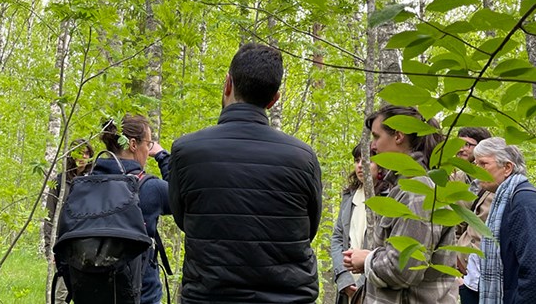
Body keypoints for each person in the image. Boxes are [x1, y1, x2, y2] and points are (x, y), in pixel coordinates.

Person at [169, 42, 322, 304]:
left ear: (227, 84)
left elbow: (183, 219)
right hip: (289, 297)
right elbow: (310, 228)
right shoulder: (303, 157)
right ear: (274, 99)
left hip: (209, 297)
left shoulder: (186, 151)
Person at [343, 105, 457, 304]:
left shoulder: (418, 190)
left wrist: (366, 259)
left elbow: (404, 270)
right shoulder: (406, 185)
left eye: (377, 137)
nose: (373, 146)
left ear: (398, 136)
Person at [93, 115, 171, 304]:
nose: (149, 149)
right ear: (133, 144)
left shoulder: (86, 184)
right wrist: (162, 156)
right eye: (149, 143)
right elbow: (182, 197)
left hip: (93, 292)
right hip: (141, 295)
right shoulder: (150, 188)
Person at [474, 137, 536, 304]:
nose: (476, 171)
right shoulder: (503, 199)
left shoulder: (523, 201)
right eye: (476, 164)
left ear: (507, 167)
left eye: (483, 164)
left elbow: (532, 265)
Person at [331, 144, 389, 304]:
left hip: (375, 283)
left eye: (367, 160)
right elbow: (337, 238)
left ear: (380, 166)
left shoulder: (389, 198)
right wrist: (344, 278)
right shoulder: (349, 196)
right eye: (357, 160)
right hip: (347, 282)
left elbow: (387, 247)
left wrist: (362, 283)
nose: (360, 165)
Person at [44, 138, 95, 303]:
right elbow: (49, 215)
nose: (83, 156)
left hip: (88, 246)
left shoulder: (94, 180)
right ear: (71, 155)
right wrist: (49, 247)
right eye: (79, 153)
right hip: (64, 246)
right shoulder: (59, 182)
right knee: (60, 296)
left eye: (86, 153)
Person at [454, 127, 492, 304]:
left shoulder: (494, 183)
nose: (461, 148)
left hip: (482, 267)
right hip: (459, 262)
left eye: (467, 144)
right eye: (458, 143)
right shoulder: (456, 178)